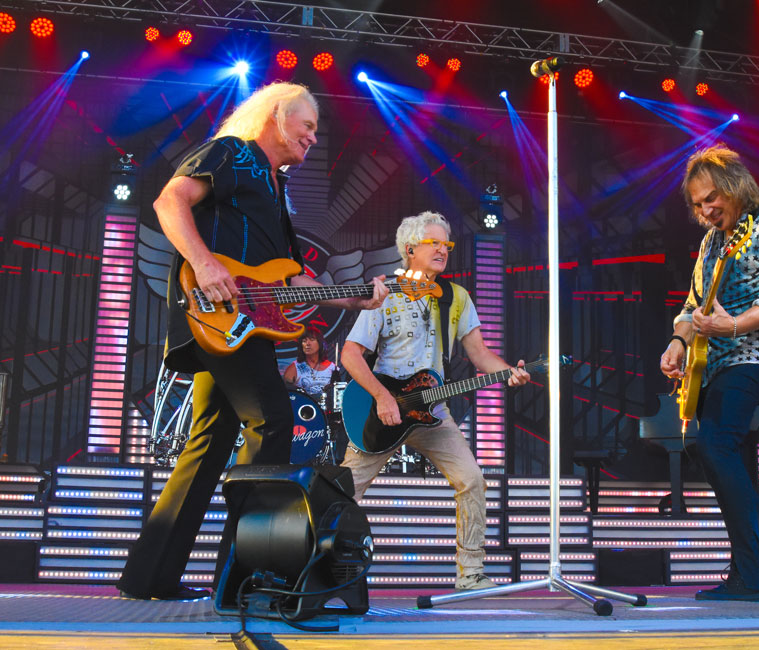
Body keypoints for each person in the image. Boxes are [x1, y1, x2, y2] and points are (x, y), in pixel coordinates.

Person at [117, 82, 388, 601]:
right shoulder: (232, 152)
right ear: (276, 115)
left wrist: (356, 299)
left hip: (247, 327)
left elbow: (294, 283)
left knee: (207, 444)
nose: (313, 137)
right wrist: (203, 261)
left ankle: (147, 578)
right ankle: (240, 576)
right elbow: (168, 200)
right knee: (272, 420)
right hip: (219, 315)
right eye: (306, 125)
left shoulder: (276, 187)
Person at [340, 211, 530, 591]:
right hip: (384, 411)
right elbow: (350, 354)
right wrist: (381, 397)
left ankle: (471, 574)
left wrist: (508, 370)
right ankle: (326, 567)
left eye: (447, 244)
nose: (443, 249)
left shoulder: (456, 297)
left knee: (472, 479)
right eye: (434, 243)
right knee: (344, 490)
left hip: (432, 410)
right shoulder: (386, 291)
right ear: (410, 250)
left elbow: (478, 354)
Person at [660, 144, 759, 602]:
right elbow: (693, 304)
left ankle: (756, 570)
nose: (706, 209)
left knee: (714, 444)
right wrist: (678, 341)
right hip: (713, 363)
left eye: (711, 198)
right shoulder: (712, 242)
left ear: (734, 185)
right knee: (726, 456)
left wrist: (735, 323)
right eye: (698, 203)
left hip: (756, 354)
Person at [283, 326, 336, 397]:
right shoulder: (294, 368)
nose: (307, 344)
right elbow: (286, 395)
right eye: (304, 341)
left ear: (320, 343)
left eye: (312, 339)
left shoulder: (333, 368)